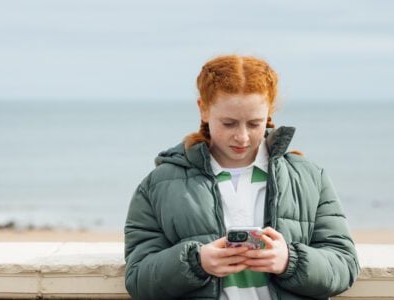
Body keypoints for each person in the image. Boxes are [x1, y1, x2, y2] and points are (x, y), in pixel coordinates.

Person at [124, 55, 359, 300]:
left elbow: (345, 264)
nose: (243, 137)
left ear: (268, 112)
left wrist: (290, 260)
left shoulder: (309, 178)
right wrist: (196, 262)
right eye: (229, 123)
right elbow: (139, 278)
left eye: (255, 124)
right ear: (203, 109)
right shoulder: (158, 185)